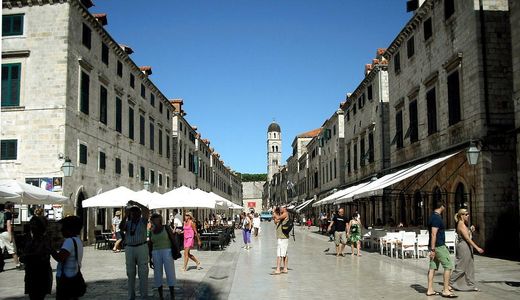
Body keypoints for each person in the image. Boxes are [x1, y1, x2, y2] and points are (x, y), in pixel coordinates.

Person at [120, 200, 150, 300]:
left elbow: (146, 210)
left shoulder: (143, 221)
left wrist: (136, 203)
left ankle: (143, 296)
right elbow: (121, 228)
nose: (133, 214)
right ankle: (131, 296)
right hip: (130, 248)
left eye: (135, 211)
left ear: (139, 213)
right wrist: (125, 216)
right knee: (130, 273)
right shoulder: (128, 223)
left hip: (141, 247)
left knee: (143, 273)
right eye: (132, 212)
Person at [426, 201, 457, 298]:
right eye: (444, 206)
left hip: (435, 247)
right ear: (442, 206)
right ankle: (445, 290)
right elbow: (433, 234)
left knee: (433, 267)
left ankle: (430, 289)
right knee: (448, 266)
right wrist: (433, 249)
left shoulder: (432, 216)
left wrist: (432, 249)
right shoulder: (436, 218)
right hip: (439, 246)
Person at [449, 209, 484, 292]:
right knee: (461, 267)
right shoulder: (461, 224)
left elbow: (466, 235)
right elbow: (467, 239)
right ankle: (449, 283)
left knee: (469, 266)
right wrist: (477, 248)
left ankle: (470, 285)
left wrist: (470, 230)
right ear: (461, 216)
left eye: (468, 214)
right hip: (463, 247)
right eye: (466, 214)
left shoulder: (463, 224)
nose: (468, 215)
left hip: (466, 247)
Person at [52, 216, 84, 300]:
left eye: (63, 228)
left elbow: (60, 258)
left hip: (66, 278)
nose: (61, 230)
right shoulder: (78, 240)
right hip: (74, 275)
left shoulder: (69, 241)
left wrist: (51, 250)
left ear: (69, 229)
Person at [21, 216, 52, 300]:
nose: (32, 228)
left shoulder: (44, 239)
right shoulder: (29, 239)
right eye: (31, 225)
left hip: (41, 273)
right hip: (31, 273)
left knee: (38, 296)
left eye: (34, 226)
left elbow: (42, 256)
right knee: (34, 296)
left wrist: (27, 256)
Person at [148, 214, 176, 300]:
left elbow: (172, 238)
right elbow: (150, 244)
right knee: (157, 274)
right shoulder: (151, 231)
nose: (154, 221)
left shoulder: (166, 228)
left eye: (156, 219)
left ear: (160, 220)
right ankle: (161, 296)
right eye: (153, 220)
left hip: (167, 251)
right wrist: (150, 258)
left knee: (170, 272)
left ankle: (172, 295)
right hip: (155, 253)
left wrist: (176, 250)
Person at [0, 201, 20, 270]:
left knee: (1, 249)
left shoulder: (1, 212)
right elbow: (8, 225)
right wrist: (10, 236)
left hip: (0, 233)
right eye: (12, 207)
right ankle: (18, 265)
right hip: (6, 233)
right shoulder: (8, 214)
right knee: (12, 249)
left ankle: (0, 266)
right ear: (10, 207)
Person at [272, 206, 289, 275]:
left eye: (282, 208)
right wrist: (275, 214)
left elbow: (278, 218)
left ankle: (278, 269)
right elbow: (276, 221)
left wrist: (274, 212)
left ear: (285, 208)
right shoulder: (282, 216)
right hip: (281, 237)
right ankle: (285, 268)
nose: (280, 209)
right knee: (284, 253)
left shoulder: (285, 214)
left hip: (283, 237)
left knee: (279, 253)